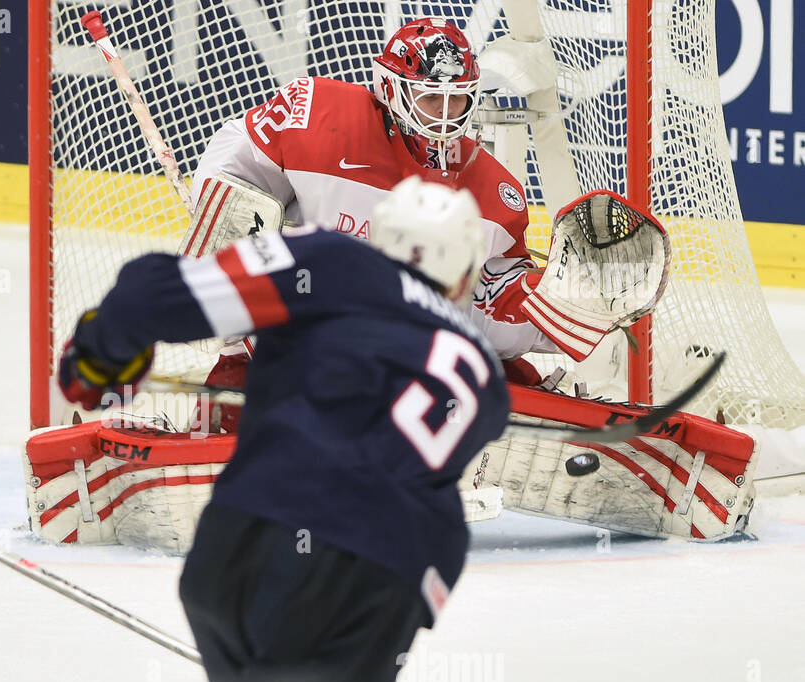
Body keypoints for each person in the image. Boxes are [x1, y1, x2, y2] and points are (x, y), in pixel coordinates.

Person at [57, 176, 510, 682]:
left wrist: (102, 355)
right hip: (374, 584)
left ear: (377, 232)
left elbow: (155, 295)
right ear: (463, 276)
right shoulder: (484, 375)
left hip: (238, 551)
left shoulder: (327, 259)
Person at [187, 16, 564, 409]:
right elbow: (234, 172)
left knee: (514, 406)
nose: (447, 113)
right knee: (224, 437)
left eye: (459, 98)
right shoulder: (318, 117)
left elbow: (491, 310)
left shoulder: (494, 194)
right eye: (432, 96)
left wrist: (566, 307)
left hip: (414, 363)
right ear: (390, 88)